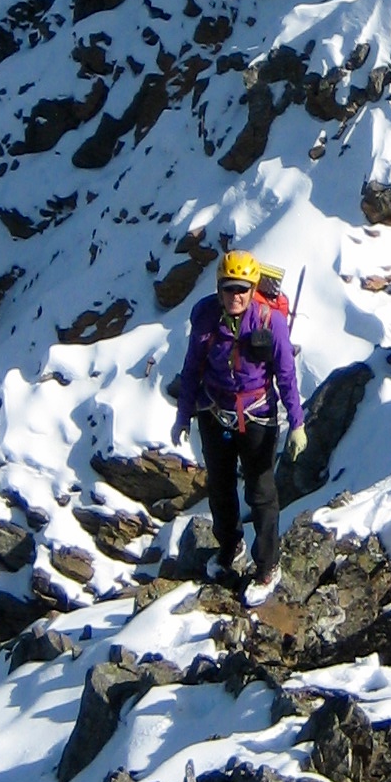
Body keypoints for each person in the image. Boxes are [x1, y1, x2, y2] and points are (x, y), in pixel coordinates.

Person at [171, 247, 306, 602]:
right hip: (215, 412)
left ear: (253, 289)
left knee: (261, 493)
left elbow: (286, 375)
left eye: (242, 289)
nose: (235, 296)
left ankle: (267, 565)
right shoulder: (205, 319)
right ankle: (230, 546)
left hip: (257, 415)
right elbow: (191, 369)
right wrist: (183, 414)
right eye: (229, 288)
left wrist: (297, 422)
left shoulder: (270, 322)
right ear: (219, 289)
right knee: (220, 487)